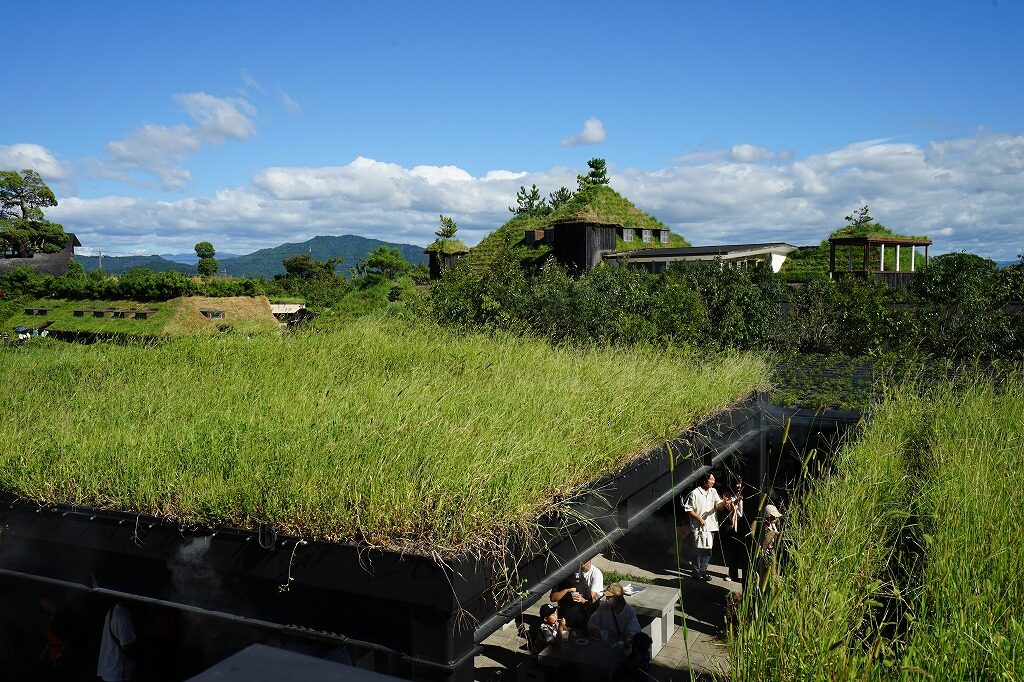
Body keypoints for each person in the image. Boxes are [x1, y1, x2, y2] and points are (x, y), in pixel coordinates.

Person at [683, 471, 732, 581]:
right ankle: (696, 572)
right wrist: (699, 518)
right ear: (705, 480)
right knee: (698, 549)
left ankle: (703, 570)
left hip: (711, 525)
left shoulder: (713, 491)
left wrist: (724, 502)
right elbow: (689, 509)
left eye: (714, 479)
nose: (714, 481)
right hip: (698, 526)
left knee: (708, 550)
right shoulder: (695, 493)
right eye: (712, 479)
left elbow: (718, 505)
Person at [549, 558, 603, 630]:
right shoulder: (561, 582)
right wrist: (566, 590)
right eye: (572, 582)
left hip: (579, 623)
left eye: (577, 582)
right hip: (563, 621)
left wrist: (581, 599)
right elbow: (552, 598)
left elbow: (589, 603)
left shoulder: (584, 584)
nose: (575, 584)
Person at [720, 478, 751, 583]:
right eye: (737, 483)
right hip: (733, 524)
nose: (739, 486)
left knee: (744, 550)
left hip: (743, 523)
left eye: (740, 483)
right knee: (733, 550)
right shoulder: (728, 494)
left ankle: (745, 575)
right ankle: (732, 574)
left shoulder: (745, 493)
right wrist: (735, 501)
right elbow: (728, 505)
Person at [97, 600, 136, 682]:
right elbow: (126, 645)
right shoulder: (122, 616)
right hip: (118, 671)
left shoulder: (111, 611)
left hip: (109, 669)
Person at [756, 504, 783, 588]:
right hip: (767, 553)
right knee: (767, 572)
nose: (775, 518)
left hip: (773, 551)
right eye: (773, 516)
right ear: (768, 516)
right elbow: (766, 543)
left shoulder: (773, 525)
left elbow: (776, 533)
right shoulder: (764, 528)